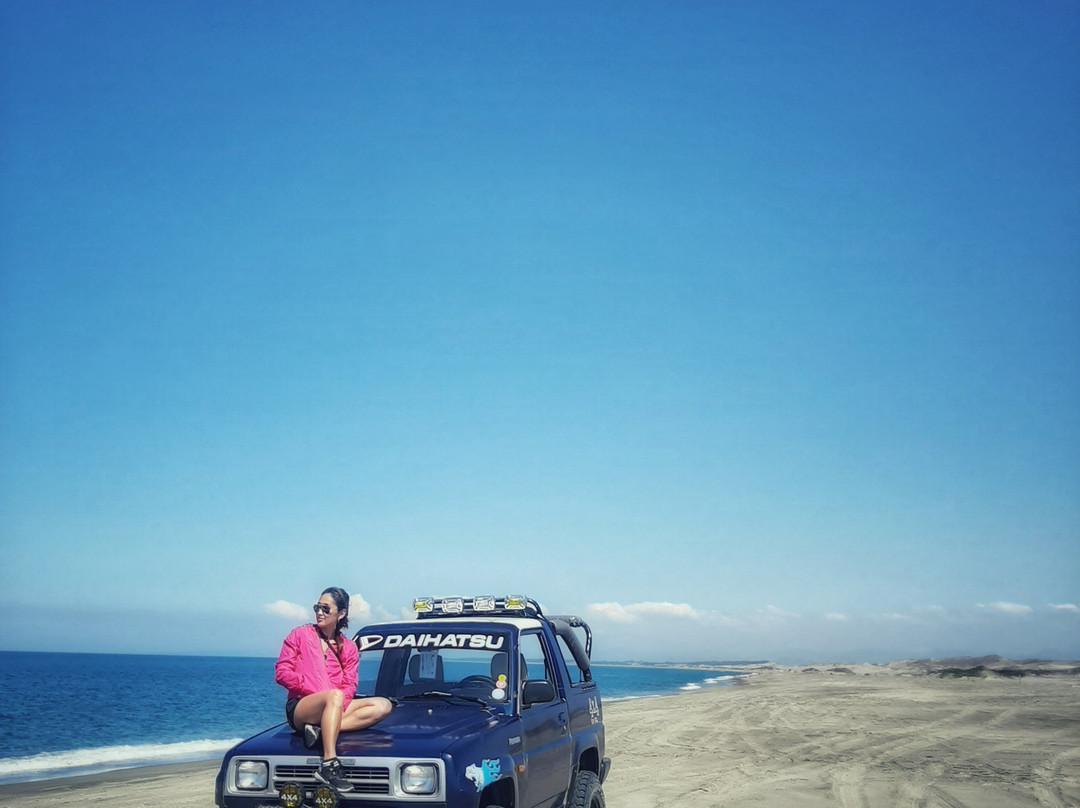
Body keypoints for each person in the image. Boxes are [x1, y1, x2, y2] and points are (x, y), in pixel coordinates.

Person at [274, 587, 393, 793]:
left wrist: (337, 702)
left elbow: (349, 684)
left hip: (334, 704)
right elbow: (281, 672)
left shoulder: (347, 647)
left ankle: (322, 731)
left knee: (383, 705)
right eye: (317, 607)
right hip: (302, 707)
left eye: (325, 608)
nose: (319, 612)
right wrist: (310, 687)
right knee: (335, 695)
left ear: (341, 613)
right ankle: (329, 764)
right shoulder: (299, 635)